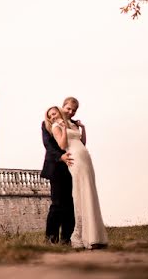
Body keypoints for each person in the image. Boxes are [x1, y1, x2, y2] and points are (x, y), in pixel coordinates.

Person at [52, 97, 108, 249]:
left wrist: (83, 128)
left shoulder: (73, 124)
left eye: (74, 110)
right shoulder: (56, 125)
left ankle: (94, 237)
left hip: (85, 157)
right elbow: (63, 145)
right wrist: (63, 128)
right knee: (80, 195)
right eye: (68, 108)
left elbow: (82, 142)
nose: (71, 112)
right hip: (74, 159)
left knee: (90, 193)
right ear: (62, 107)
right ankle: (78, 237)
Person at [41, 105, 74, 244]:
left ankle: (66, 238)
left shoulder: (69, 123)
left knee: (70, 205)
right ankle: (50, 238)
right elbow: (48, 145)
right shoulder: (46, 125)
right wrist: (61, 157)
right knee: (57, 204)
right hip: (55, 166)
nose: (53, 117)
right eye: (50, 115)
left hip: (70, 166)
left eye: (54, 113)